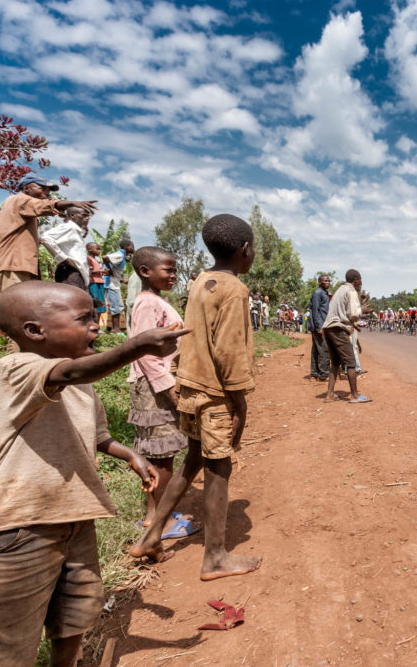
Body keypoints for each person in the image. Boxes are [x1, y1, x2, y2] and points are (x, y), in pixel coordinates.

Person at [0, 281, 186, 666]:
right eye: (84, 319)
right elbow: (68, 374)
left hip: (76, 522)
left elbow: (98, 435)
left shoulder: (83, 386)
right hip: (20, 528)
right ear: (35, 331)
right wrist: (136, 346)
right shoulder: (17, 369)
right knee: (5, 646)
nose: (96, 326)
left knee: (74, 618)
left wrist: (131, 455)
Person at [129, 214, 261, 581]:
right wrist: (240, 403)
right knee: (219, 467)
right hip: (216, 394)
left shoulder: (200, 281)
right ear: (244, 250)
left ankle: (150, 536)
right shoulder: (234, 290)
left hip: (190, 386)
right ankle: (215, 557)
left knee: (193, 460)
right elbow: (229, 351)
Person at [127, 246, 201, 541]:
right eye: (167, 270)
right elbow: (145, 352)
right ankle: (158, 522)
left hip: (158, 383)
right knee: (161, 457)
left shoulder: (155, 301)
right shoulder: (147, 303)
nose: (173, 275)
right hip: (155, 386)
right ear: (146, 272)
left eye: (174, 270)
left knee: (163, 455)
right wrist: (168, 388)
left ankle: (156, 518)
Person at [0, 172, 97, 295]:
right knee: (13, 305)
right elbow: (44, 205)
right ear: (26, 188)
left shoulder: (26, 207)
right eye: (42, 188)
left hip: (19, 263)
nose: (47, 193)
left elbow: (40, 207)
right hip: (12, 263)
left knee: (23, 306)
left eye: (49, 190)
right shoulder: (18, 199)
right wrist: (71, 203)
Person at [323, 269, 372, 403]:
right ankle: (355, 395)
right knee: (351, 362)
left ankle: (330, 394)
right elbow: (354, 314)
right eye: (360, 280)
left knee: (335, 363)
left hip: (328, 328)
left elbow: (342, 312)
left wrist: (352, 323)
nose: (361, 283)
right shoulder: (351, 291)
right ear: (355, 279)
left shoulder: (340, 290)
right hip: (338, 329)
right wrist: (363, 309)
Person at [39, 206, 91, 292]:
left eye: (88, 216)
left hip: (75, 273)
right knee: (73, 302)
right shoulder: (69, 227)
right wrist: (63, 258)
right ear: (72, 215)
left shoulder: (76, 231)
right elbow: (45, 238)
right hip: (69, 272)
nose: (87, 218)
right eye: (84, 215)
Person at [103, 239, 135, 334]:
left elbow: (115, 270)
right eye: (132, 246)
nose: (133, 248)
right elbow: (105, 257)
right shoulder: (120, 255)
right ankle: (116, 330)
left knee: (119, 305)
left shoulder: (123, 257)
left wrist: (122, 280)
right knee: (115, 306)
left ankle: (112, 328)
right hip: (111, 284)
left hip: (114, 284)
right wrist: (109, 269)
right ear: (127, 247)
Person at [308, 274, 332, 381]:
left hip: (322, 324)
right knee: (323, 350)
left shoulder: (325, 293)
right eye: (325, 281)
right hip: (320, 326)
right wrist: (319, 327)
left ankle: (314, 374)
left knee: (316, 350)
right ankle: (324, 375)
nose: (327, 282)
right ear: (319, 282)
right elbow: (315, 311)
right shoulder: (318, 293)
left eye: (328, 281)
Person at [86, 242, 108, 321]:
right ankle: (93, 323)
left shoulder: (96, 260)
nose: (99, 251)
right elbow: (88, 271)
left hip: (100, 282)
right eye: (97, 249)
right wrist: (100, 270)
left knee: (100, 304)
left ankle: (97, 325)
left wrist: (101, 271)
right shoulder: (88, 259)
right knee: (95, 302)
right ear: (90, 250)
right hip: (93, 282)